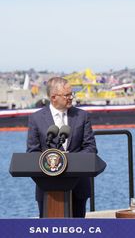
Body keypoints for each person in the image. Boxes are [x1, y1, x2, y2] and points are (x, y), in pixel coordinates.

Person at [27, 77, 97, 218]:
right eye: (67, 95)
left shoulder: (82, 116)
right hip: (47, 187)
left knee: (77, 231)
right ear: (53, 97)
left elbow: (91, 148)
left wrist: (68, 161)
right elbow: (32, 152)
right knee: (49, 234)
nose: (71, 98)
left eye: (71, 94)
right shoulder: (36, 119)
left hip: (78, 185)